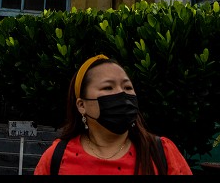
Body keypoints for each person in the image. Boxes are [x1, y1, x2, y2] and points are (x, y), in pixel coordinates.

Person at [34, 54, 192, 175]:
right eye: (108, 88)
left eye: (128, 87)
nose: (121, 93)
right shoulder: (56, 157)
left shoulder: (161, 152)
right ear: (82, 105)